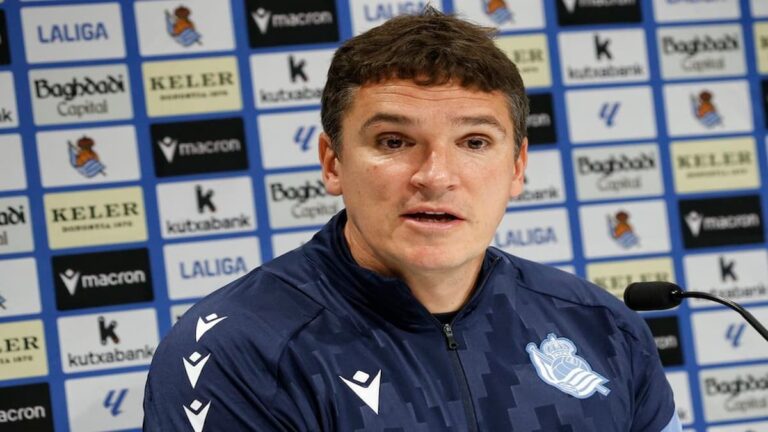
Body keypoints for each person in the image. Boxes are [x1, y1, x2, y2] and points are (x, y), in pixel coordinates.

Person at [143, 7, 681, 431]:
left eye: (474, 142)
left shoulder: (601, 327)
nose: (435, 175)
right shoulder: (241, 350)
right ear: (333, 162)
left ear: (517, 167)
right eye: (394, 141)